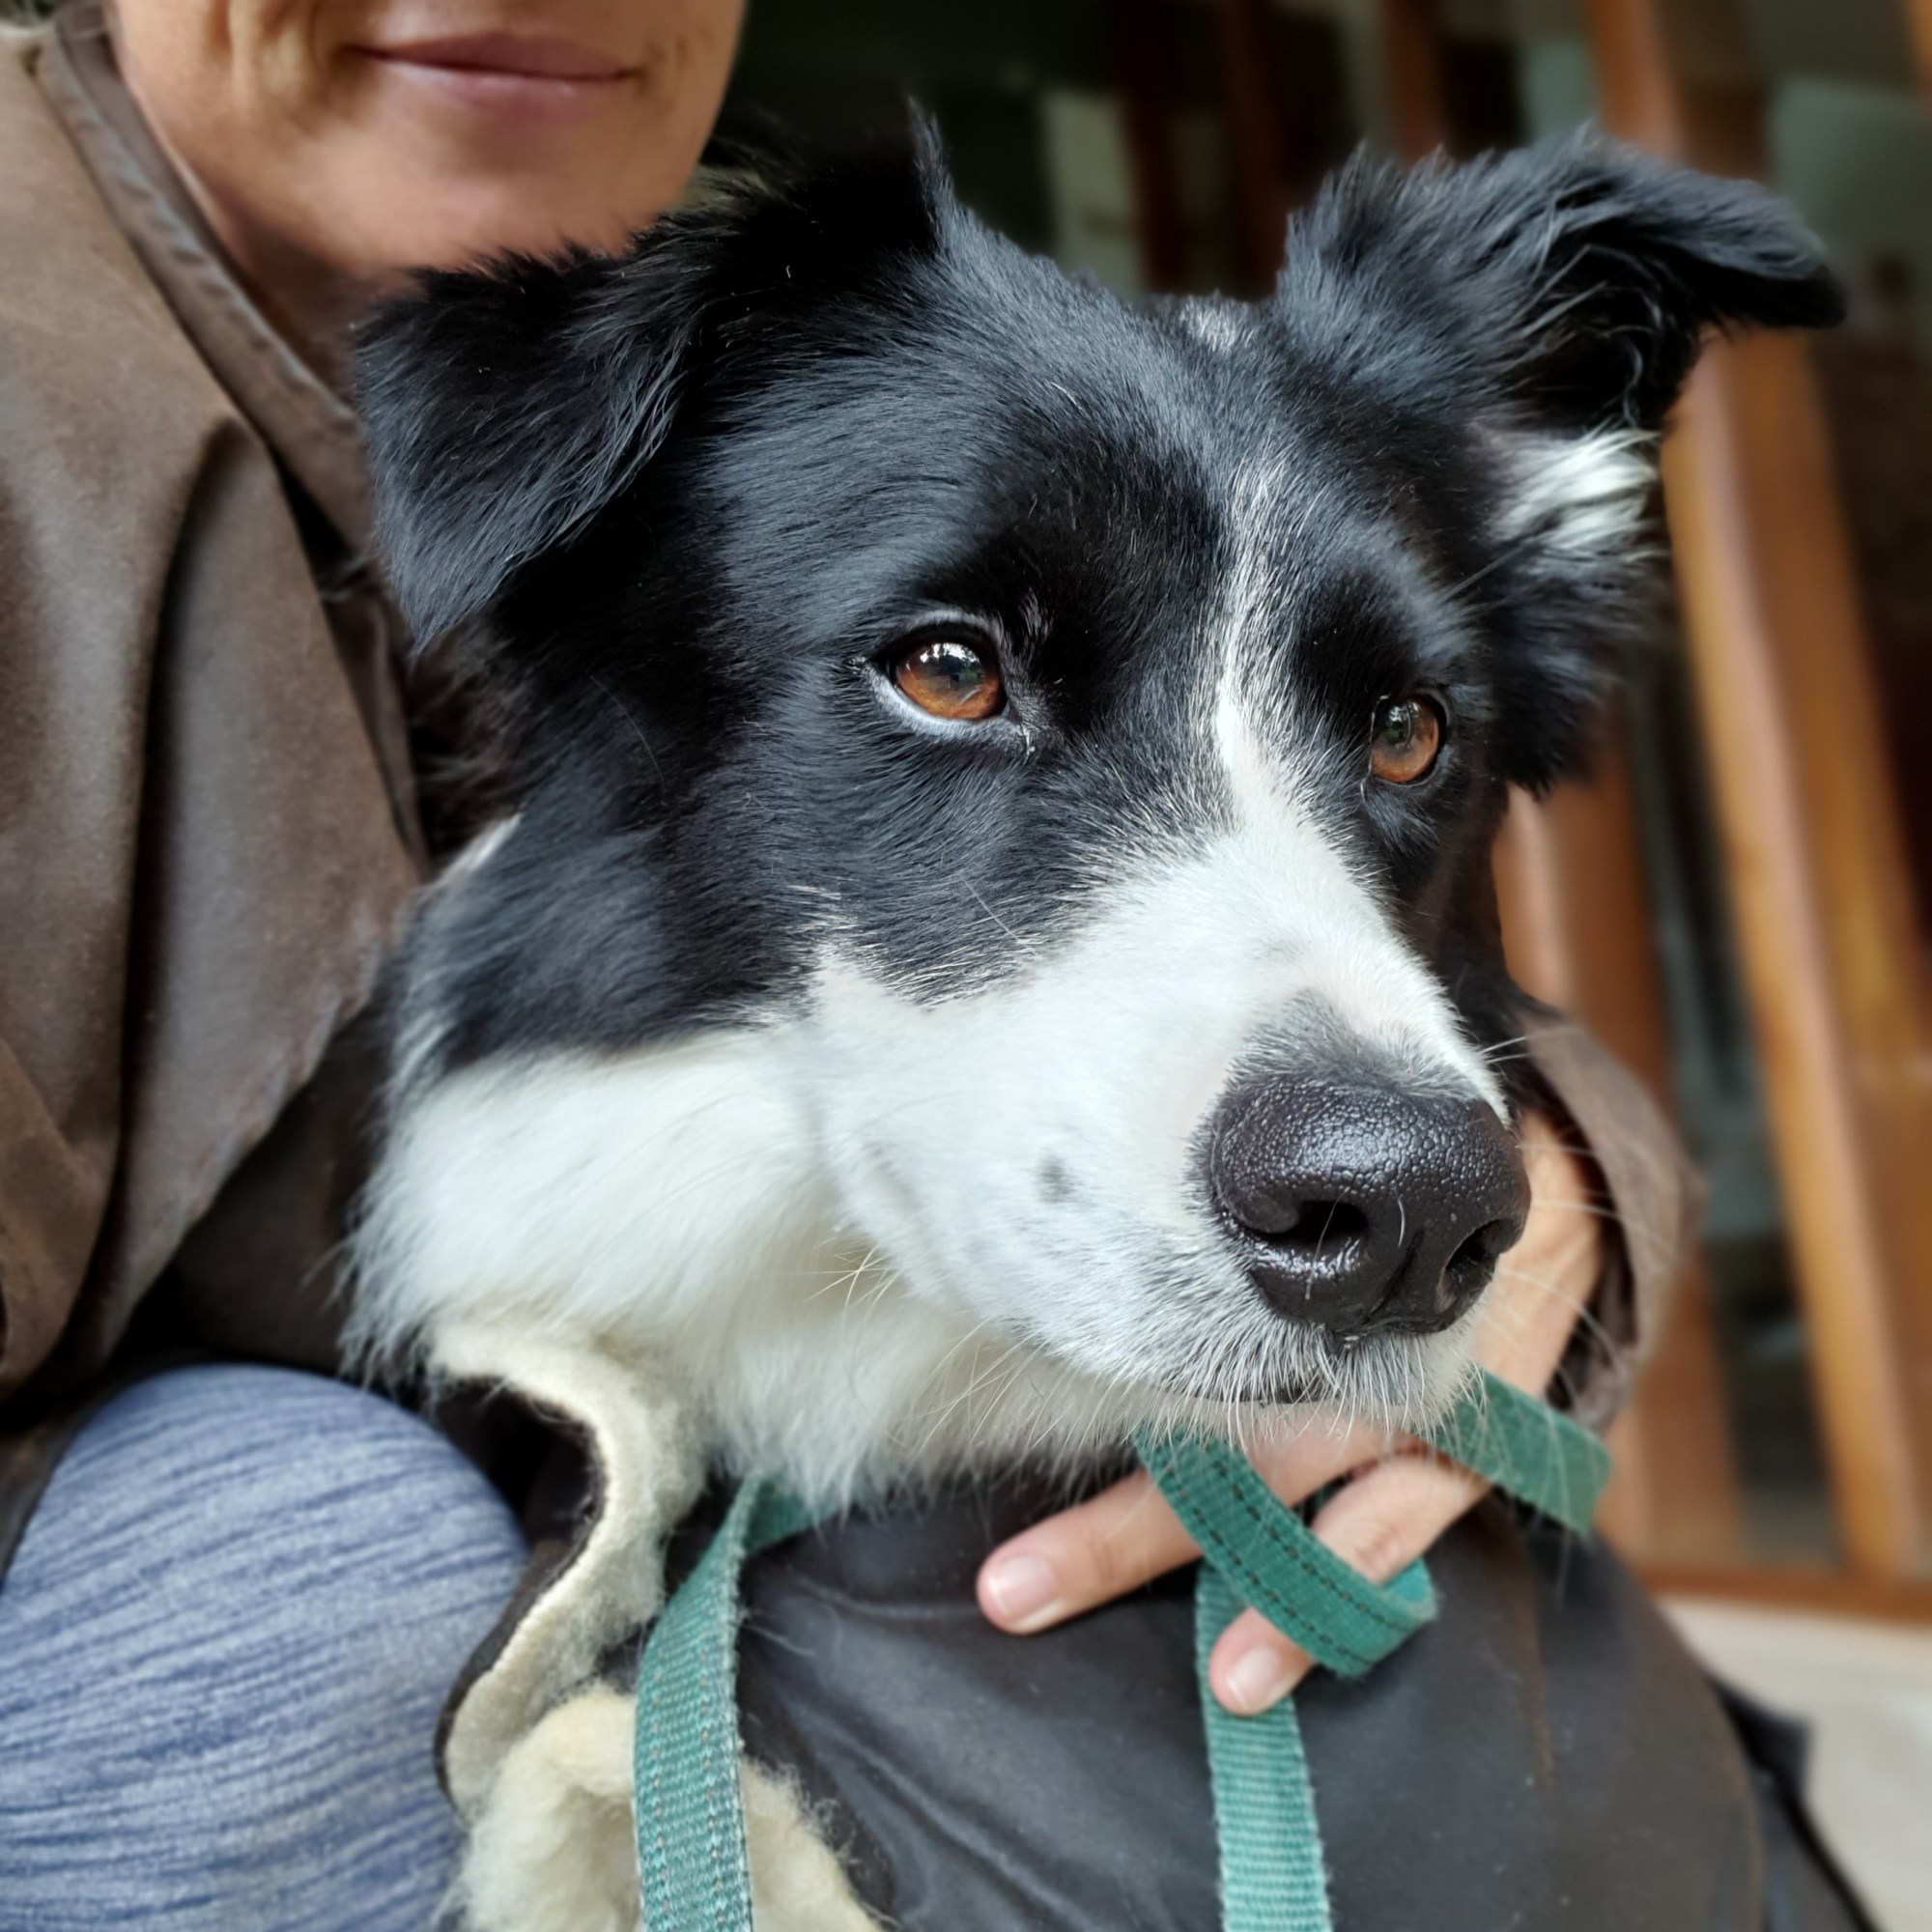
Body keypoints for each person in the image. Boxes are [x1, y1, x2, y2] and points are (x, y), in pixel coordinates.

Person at [0, 2, 1680, 1926]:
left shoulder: (773, 363)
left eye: (1399, 732)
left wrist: (1544, 1160)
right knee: (292, 1564)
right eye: (953, 669)